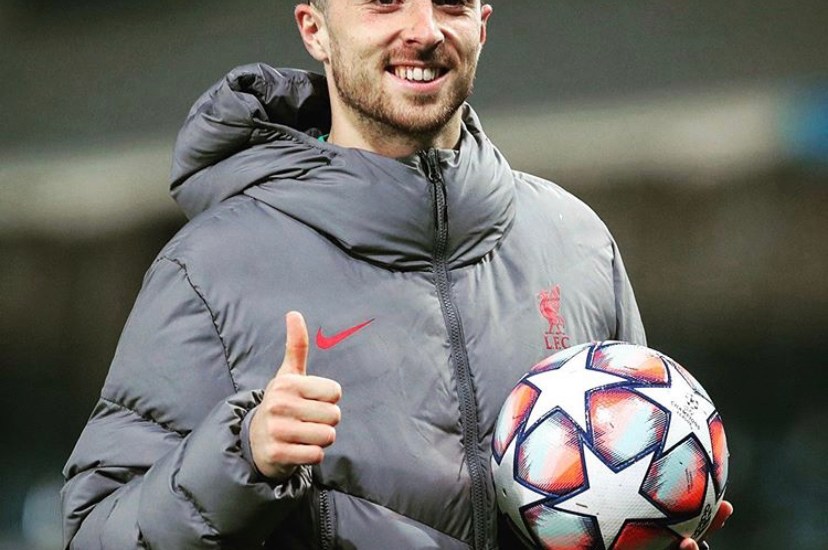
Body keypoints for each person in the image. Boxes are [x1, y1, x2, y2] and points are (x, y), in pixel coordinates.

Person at [62, 1, 732, 548]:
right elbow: (94, 532)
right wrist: (241, 457)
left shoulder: (576, 240)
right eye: (384, 2)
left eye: (451, 3)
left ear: (482, 24)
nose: (424, 29)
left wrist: (651, 527)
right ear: (315, 29)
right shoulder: (210, 267)